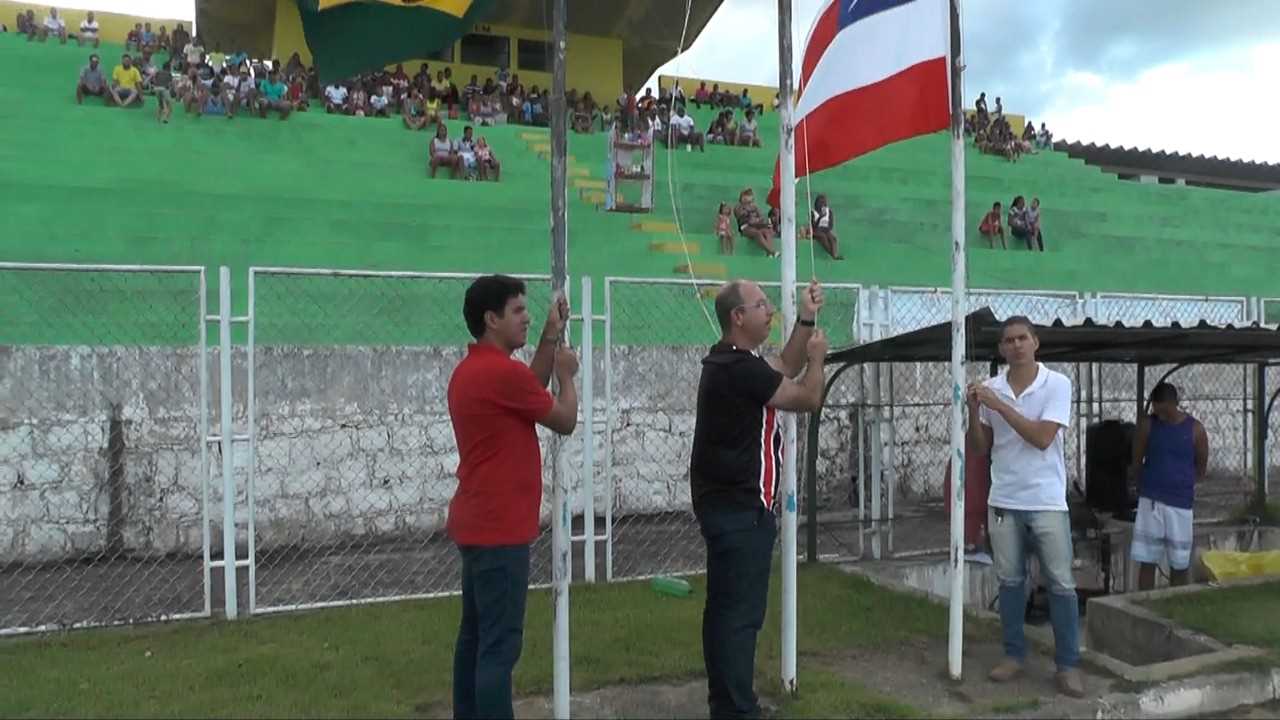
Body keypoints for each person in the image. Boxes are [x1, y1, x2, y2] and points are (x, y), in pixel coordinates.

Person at [691, 279, 828, 720]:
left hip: (726, 507)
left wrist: (806, 319)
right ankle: (736, 709)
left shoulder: (733, 362)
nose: (770, 311)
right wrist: (819, 360)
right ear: (738, 317)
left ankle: (726, 704)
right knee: (740, 617)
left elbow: (783, 365)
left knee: (724, 612)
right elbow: (806, 396)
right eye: (762, 305)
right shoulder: (738, 368)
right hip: (740, 510)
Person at [447, 276, 578, 720]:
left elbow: (527, 390)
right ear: (491, 318)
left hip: (478, 522)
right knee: (500, 648)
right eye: (519, 311)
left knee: (476, 637)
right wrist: (568, 377)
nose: (526, 317)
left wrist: (547, 336)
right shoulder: (499, 373)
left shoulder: (475, 370)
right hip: (499, 529)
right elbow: (561, 419)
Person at [967, 317, 1083, 698]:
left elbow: (1041, 438)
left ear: (1035, 342)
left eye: (1022, 338)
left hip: (1047, 500)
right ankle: (1013, 655)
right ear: (1001, 348)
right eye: (1008, 340)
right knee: (1010, 581)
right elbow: (981, 448)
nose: (1016, 346)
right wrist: (974, 410)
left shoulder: (1057, 384)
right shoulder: (992, 389)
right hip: (1004, 498)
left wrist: (998, 406)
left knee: (1062, 583)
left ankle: (1067, 665)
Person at [1130, 383, 1208, 591]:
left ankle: (1177, 602)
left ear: (1175, 404)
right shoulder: (1147, 425)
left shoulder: (1196, 429)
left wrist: (1184, 484)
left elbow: (1201, 466)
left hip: (1180, 504)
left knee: (1180, 562)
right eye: (1157, 411)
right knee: (1147, 559)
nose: (1161, 416)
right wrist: (1143, 486)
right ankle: (1144, 603)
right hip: (1151, 501)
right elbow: (1136, 462)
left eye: (1165, 411)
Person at [733, 188, 778, 257]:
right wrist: (750, 212)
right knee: (758, 233)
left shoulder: (755, 207)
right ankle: (771, 251)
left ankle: (769, 253)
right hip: (745, 227)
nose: (747, 199)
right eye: (745, 197)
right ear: (741, 198)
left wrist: (758, 221)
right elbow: (743, 216)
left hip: (757, 226)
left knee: (767, 232)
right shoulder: (738, 207)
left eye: (749, 196)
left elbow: (761, 218)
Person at [811, 194, 842, 260]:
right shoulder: (813, 212)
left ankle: (835, 254)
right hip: (816, 230)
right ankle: (831, 254)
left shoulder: (829, 212)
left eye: (823, 203)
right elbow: (813, 227)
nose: (822, 205)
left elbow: (831, 225)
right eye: (820, 203)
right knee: (823, 237)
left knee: (833, 238)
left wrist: (826, 230)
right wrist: (820, 217)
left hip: (826, 230)